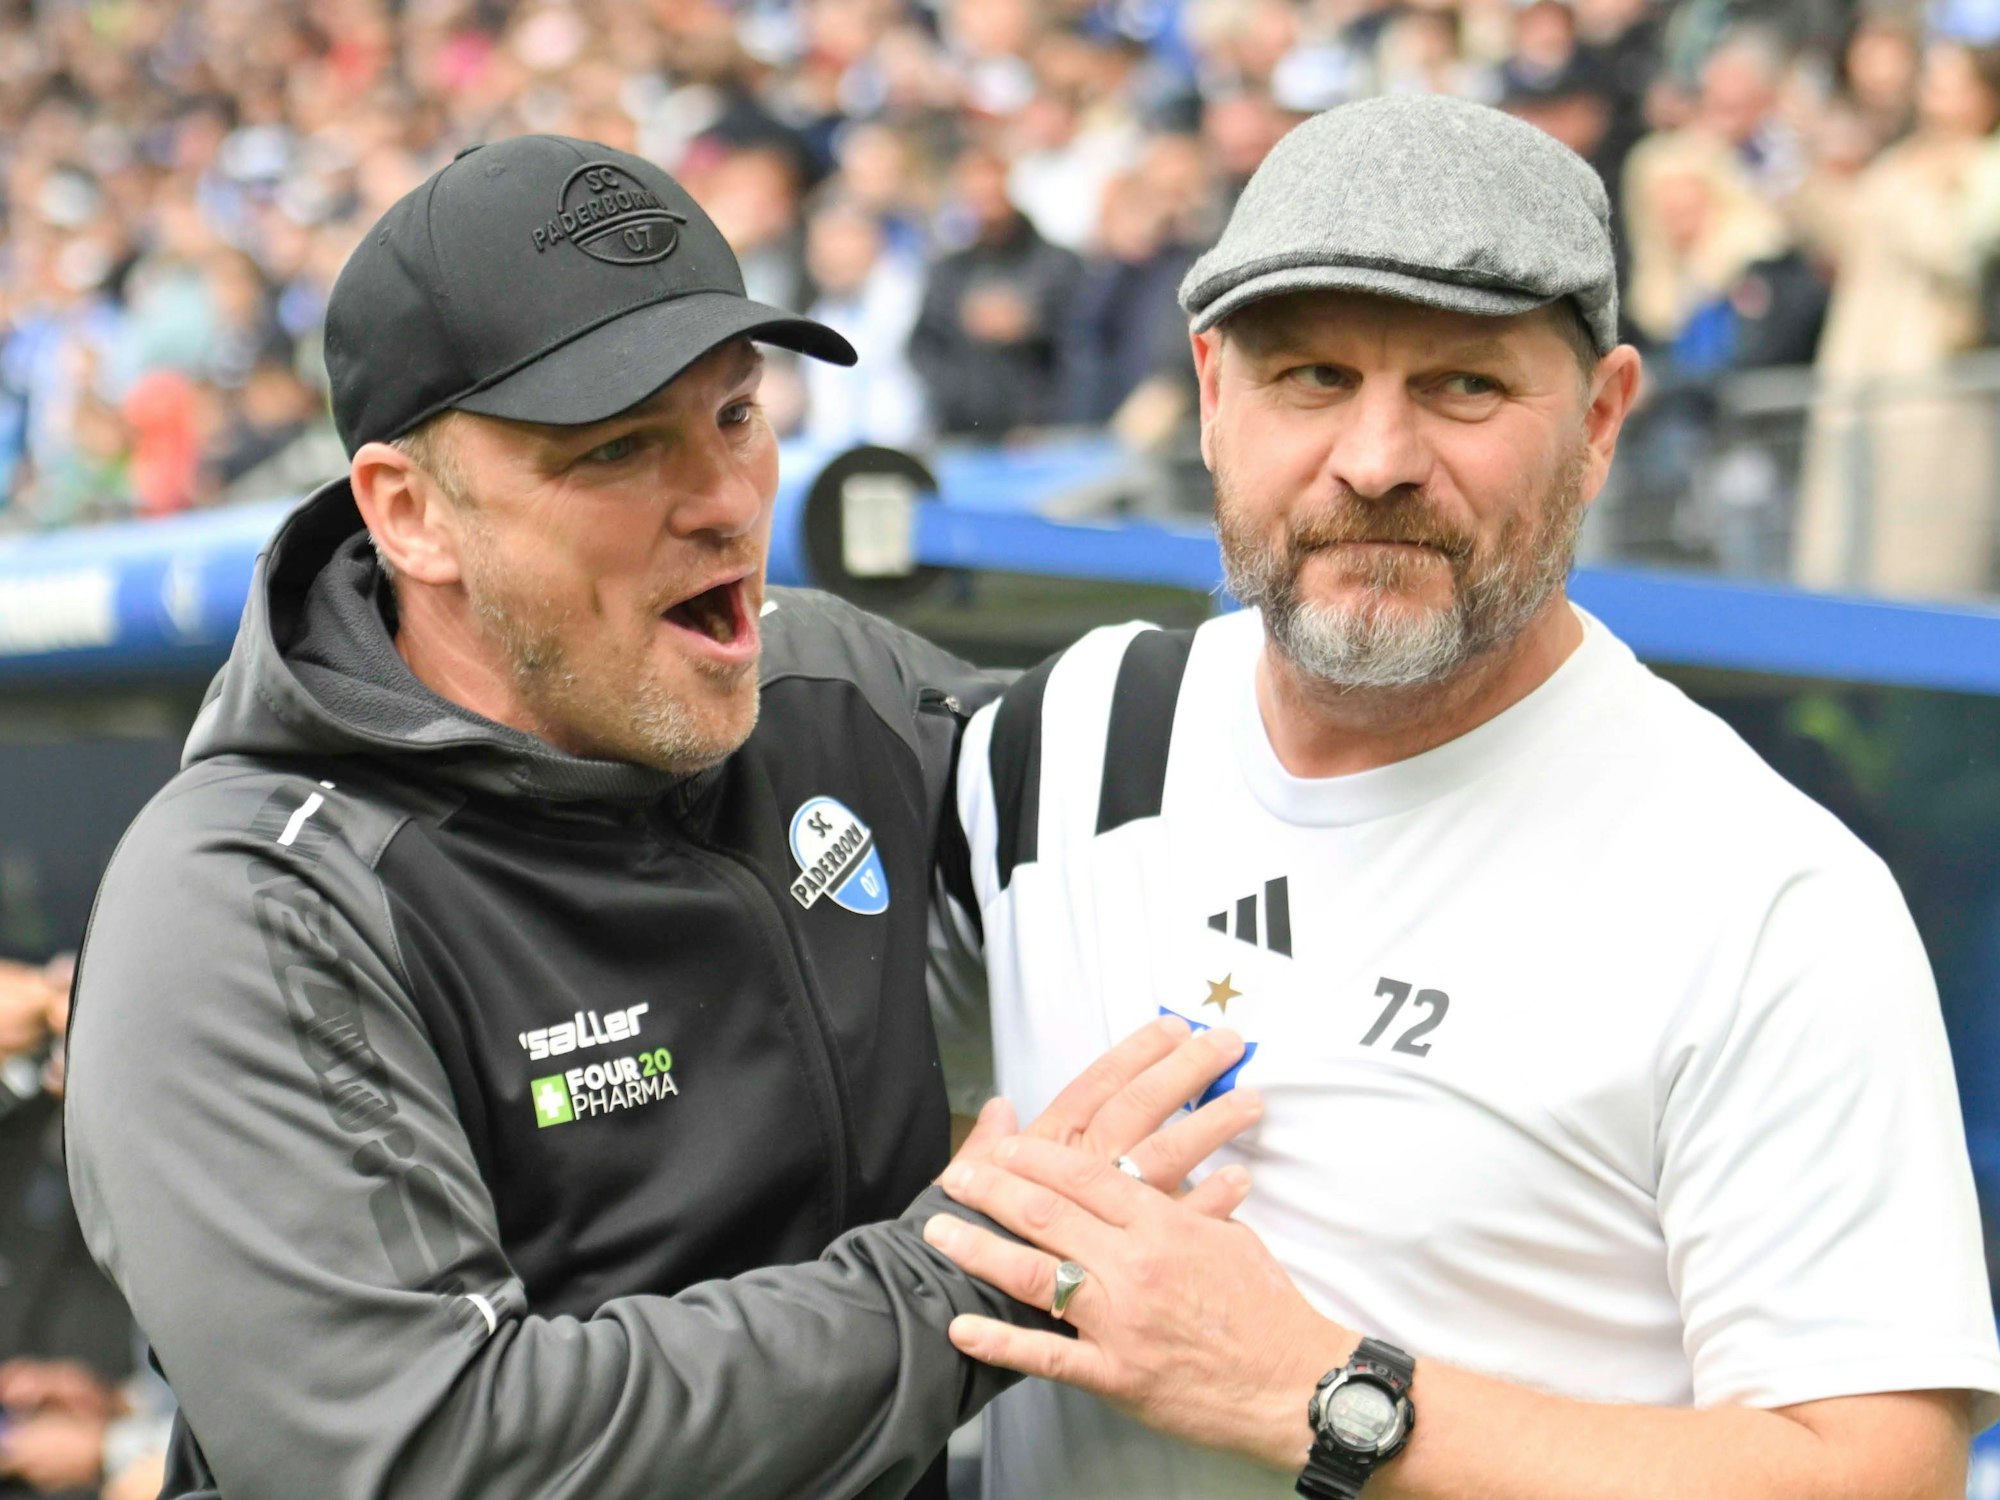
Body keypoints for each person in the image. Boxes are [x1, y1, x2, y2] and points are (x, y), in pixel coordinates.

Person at [60, 135, 1263, 1500]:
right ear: (411, 514)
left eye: (737, 415)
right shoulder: (248, 904)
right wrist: (968, 1273)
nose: (725, 503)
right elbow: (432, 1454)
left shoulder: (827, 683)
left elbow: (1199, 765)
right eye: (621, 448)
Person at [929, 95, 2000, 1499]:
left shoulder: (1765, 894)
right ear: (1210, 393)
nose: (1376, 459)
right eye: (1312, 376)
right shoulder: (1072, 729)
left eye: (1465, 388)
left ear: (1602, 420)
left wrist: (1309, 1391)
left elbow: (1880, 1473)